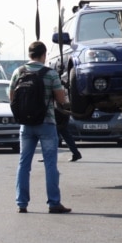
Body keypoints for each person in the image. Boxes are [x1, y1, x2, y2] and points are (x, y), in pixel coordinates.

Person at [10, 41, 71, 213]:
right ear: (44, 55)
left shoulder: (18, 72)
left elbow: (12, 96)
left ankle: (21, 204)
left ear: (30, 54)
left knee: (24, 164)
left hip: (26, 125)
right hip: (46, 123)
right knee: (50, 164)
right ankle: (54, 203)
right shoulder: (50, 74)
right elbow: (61, 100)